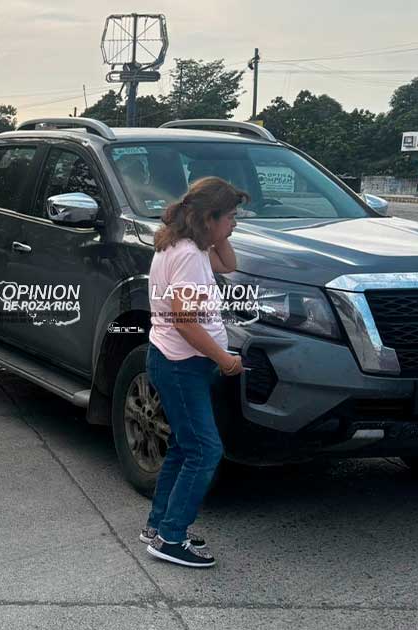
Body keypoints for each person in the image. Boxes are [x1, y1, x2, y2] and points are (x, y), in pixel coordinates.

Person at [142, 176, 245, 569]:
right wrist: (223, 358)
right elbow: (185, 320)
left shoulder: (190, 247)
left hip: (179, 362)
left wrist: (217, 234)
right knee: (205, 450)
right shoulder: (186, 254)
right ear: (207, 218)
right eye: (230, 217)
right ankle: (171, 537)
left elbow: (229, 264)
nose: (235, 223)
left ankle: (159, 527)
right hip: (180, 364)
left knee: (185, 447)